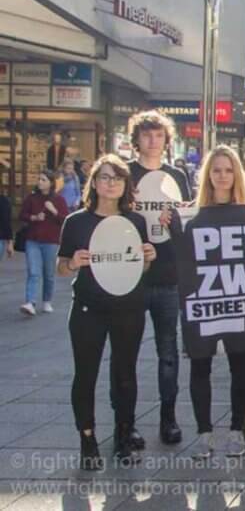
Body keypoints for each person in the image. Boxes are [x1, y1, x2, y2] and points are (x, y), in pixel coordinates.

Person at [58, 155, 156, 469]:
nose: (111, 182)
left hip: (128, 307)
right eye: (104, 177)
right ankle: (87, 440)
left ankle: (123, 436)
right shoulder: (76, 222)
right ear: (94, 183)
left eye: (117, 177)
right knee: (86, 374)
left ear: (126, 184)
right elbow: (61, 267)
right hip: (88, 307)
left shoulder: (137, 221)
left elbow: (139, 268)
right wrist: (72, 262)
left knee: (125, 375)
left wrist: (149, 257)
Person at [179, 146, 245, 458]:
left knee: (242, 365)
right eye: (216, 170)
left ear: (236, 174)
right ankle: (204, 433)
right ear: (207, 175)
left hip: (238, 301)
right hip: (203, 302)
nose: (222, 176)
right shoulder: (193, 219)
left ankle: (237, 430)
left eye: (227, 170)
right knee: (200, 364)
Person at [126, 110, 192, 446]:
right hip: (130, 276)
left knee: (168, 353)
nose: (153, 140)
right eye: (146, 135)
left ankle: (169, 418)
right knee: (127, 354)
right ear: (136, 139)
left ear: (167, 140)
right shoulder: (123, 174)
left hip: (168, 274)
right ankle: (127, 424)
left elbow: (189, 219)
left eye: (158, 135)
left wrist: (175, 221)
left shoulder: (176, 176)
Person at [19, 170, 69, 316]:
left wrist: (53, 211)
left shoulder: (59, 200)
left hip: (51, 241)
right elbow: (22, 215)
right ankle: (30, 302)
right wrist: (34, 217)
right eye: (39, 179)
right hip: (32, 240)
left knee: (48, 273)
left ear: (51, 183)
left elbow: (65, 220)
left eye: (43, 180)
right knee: (33, 272)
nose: (39, 182)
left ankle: (47, 300)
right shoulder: (31, 198)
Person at [0, 189, 12, 260]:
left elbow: (6, 222)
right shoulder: (4, 201)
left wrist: (10, 242)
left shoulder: (3, 201)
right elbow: (6, 222)